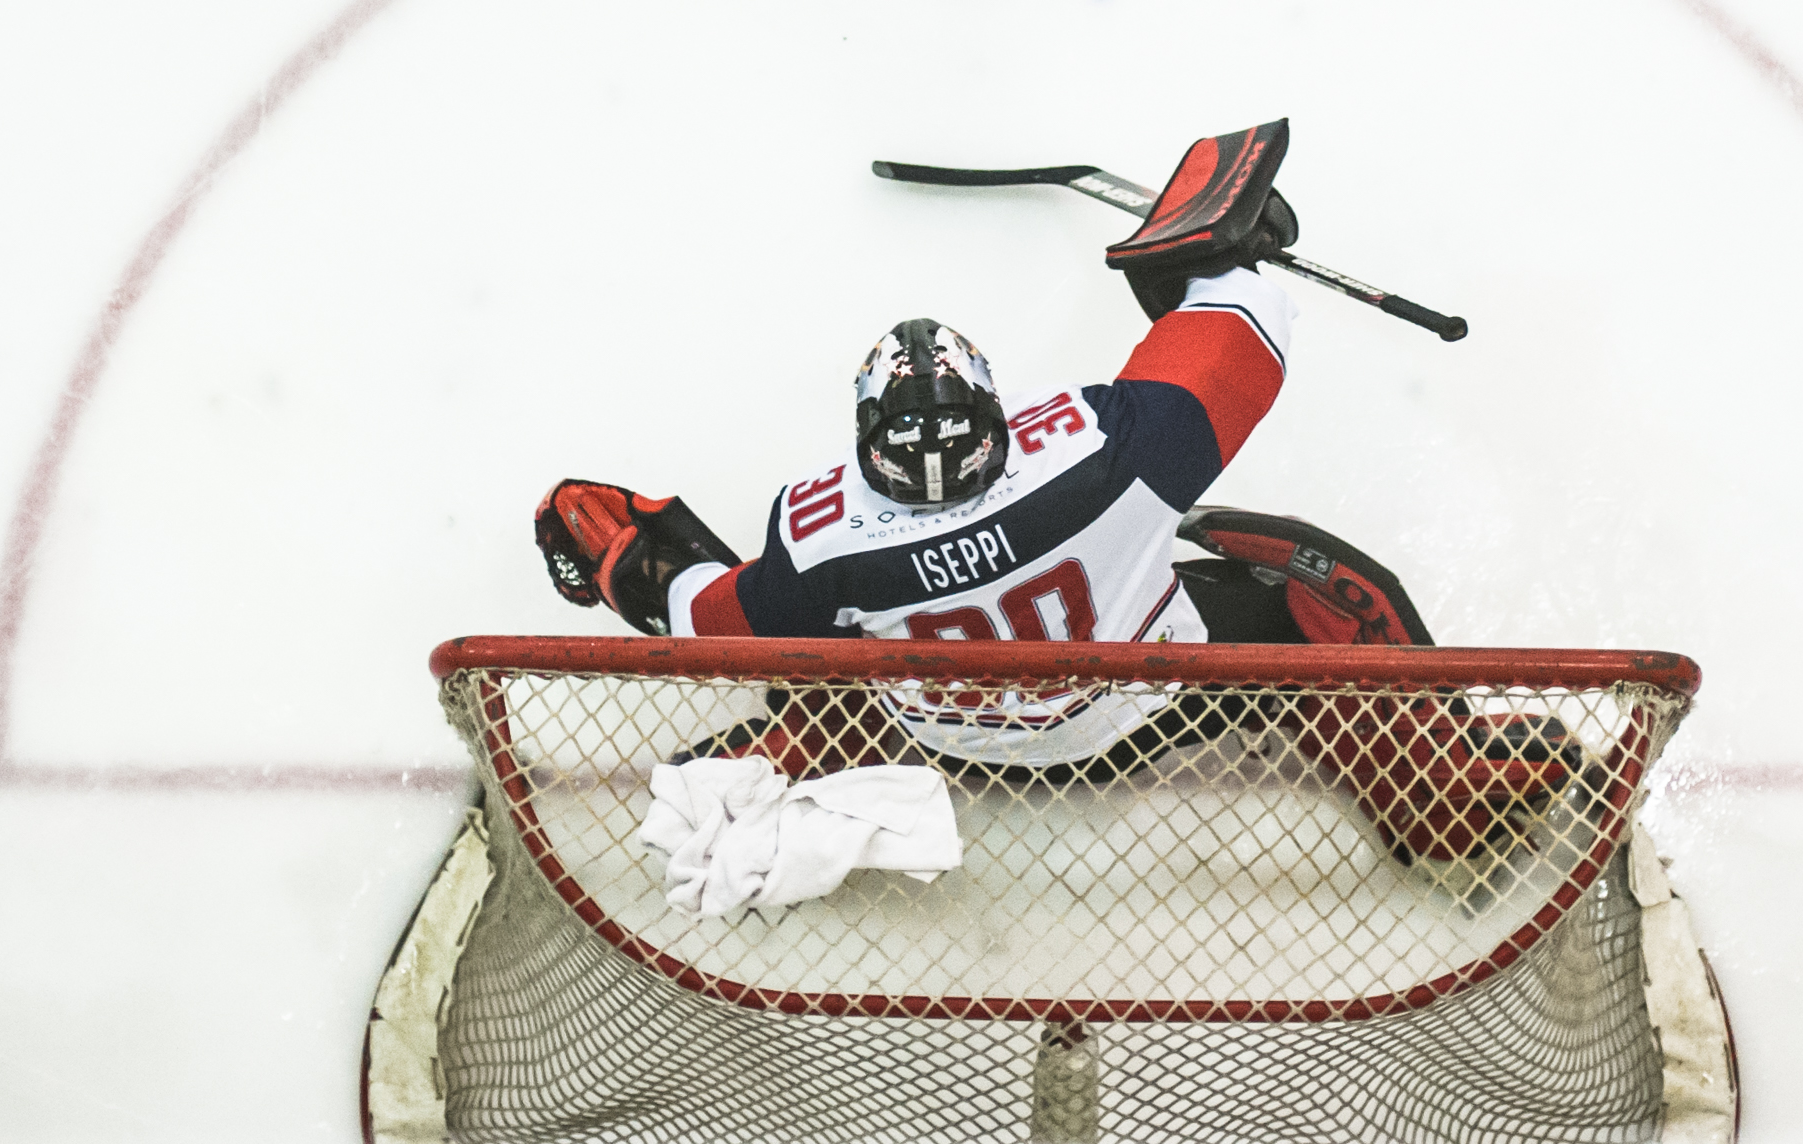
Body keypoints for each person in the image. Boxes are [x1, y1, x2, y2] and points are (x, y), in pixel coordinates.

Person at [537, 120, 1571, 855]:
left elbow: (706, 615)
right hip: (1152, 715)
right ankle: (1447, 802)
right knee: (1320, 580)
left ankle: (795, 748)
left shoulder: (818, 538)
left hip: (950, 745)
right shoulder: (1107, 451)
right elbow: (1240, 341)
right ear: (994, 416)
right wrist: (1220, 258)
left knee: (813, 644)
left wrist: (626, 551)